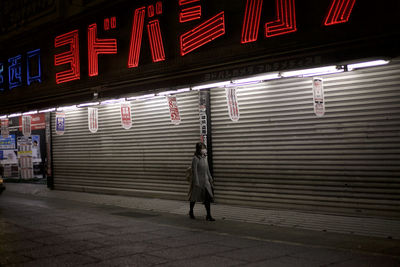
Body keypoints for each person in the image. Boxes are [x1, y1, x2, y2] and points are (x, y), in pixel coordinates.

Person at [188, 142, 215, 221]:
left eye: (204, 148)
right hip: (198, 182)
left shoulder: (204, 158)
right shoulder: (195, 159)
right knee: (194, 198)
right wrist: (196, 182)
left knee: (207, 198)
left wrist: (210, 179)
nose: (204, 150)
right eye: (202, 148)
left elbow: (207, 170)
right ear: (198, 149)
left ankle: (208, 215)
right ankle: (191, 211)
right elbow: (194, 171)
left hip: (205, 182)